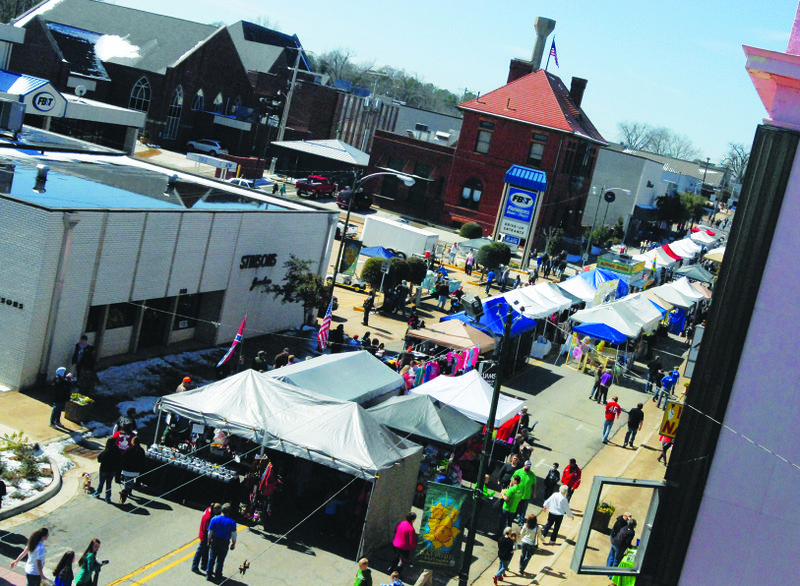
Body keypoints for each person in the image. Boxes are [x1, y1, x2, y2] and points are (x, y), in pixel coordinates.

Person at [206, 502, 237, 581]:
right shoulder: (232, 522)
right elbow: (234, 535)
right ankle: (218, 575)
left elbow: (210, 532)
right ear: (229, 512)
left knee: (212, 558)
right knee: (220, 560)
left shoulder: (214, 519)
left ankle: (209, 574)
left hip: (215, 540)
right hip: (224, 542)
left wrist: (208, 541)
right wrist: (233, 544)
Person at [191, 503, 221, 575]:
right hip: (205, 536)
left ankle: (204, 565)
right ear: (215, 510)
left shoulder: (208, 509)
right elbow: (209, 529)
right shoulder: (209, 517)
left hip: (202, 533)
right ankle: (194, 566)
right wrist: (210, 538)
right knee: (200, 551)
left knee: (206, 550)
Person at [119, 436, 146, 503]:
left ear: (133, 442)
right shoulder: (141, 450)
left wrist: (121, 467)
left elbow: (123, 459)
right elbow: (143, 460)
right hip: (136, 470)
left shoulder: (129, 449)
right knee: (131, 480)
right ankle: (129, 491)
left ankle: (125, 493)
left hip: (127, 469)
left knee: (127, 481)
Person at [94, 437, 121, 503]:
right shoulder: (117, 451)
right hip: (112, 471)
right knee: (109, 484)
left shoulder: (106, 451)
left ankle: (97, 493)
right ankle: (107, 497)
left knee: (101, 483)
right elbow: (120, 460)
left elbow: (99, 459)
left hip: (104, 470)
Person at [512, 460, 537, 525]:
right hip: (517, 494)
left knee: (523, 509)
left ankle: (521, 521)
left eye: (529, 466)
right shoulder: (518, 472)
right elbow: (512, 481)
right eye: (527, 466)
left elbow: (534, 484)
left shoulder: (532, 475)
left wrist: (534, 492)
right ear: (524, 465)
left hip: (526, 495)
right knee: (515, 507)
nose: (528, 467)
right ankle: (512, 517)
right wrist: (510, 489)